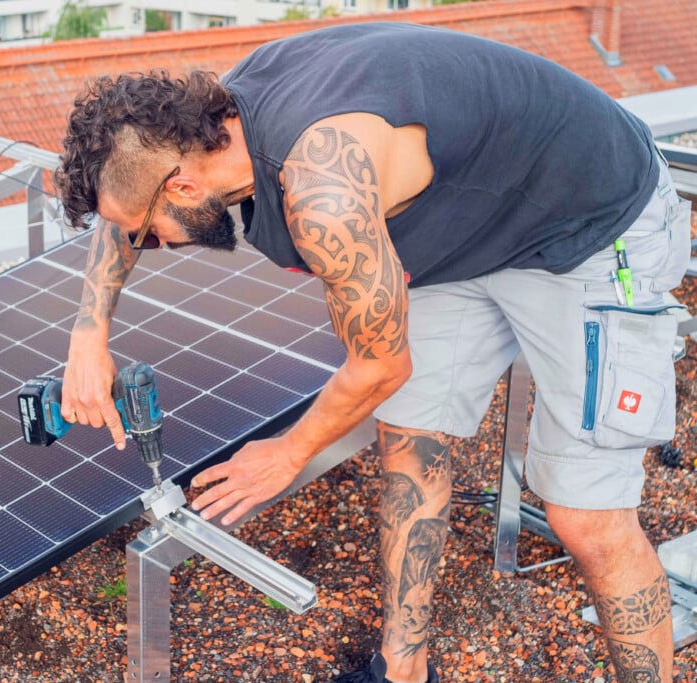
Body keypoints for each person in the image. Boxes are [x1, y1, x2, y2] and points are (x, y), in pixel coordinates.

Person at [53, 22, 692, 683]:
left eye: (147, 235)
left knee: (586, 519)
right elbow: (129, 195)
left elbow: (382, 364)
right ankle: (403, 671)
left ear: (183, 186)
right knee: (410, 444)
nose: (147, 243)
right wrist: (87, 337)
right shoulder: (212, 125)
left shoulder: (322, 188)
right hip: (470, 232)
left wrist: (288, 452)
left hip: (588, 225)